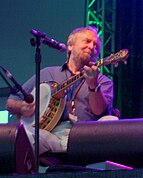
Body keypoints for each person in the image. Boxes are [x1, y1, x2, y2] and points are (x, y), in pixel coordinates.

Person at [6, 26, 115, 155]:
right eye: (87, 41)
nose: (92, 47)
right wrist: (23, 107)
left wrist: (93, 84)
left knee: (110, 121)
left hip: (86, 136)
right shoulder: (48, 73)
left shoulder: (103, 81)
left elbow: (98, 110)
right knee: (25, 135)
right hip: (50, 134)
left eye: (96, 45)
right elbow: (11, 102)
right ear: (70, 46)